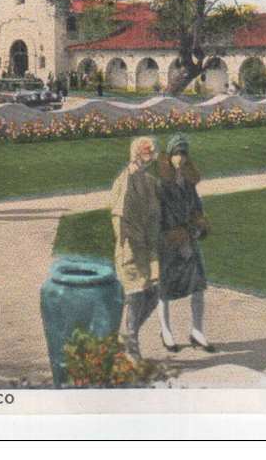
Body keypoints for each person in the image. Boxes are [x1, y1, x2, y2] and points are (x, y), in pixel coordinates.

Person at [155, 134, 214, 353]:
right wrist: (179, 240)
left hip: (189, 238)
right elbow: (161, 218)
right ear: (169, 156)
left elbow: (197, 208)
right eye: (176, 153)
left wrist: (198, 227)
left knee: (198, 285)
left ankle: (197, 331)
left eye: (183, 153)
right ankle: (166, 330)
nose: (180, 158)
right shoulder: (161, 185)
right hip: (169, 242)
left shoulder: (189, 183)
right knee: (165, 289)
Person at [109, 136, 162, 361]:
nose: (148, 156)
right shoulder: (125, 180)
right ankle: (131, 344)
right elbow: (119, 217)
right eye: (144, 152)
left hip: (148, 246)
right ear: (135, 154)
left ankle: (127, 336)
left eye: (150, 152)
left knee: (155, 292)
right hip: (130, 246)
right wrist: (125, 247)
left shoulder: (149, 181)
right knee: (135, 293)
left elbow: (156, 214)